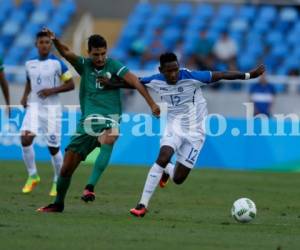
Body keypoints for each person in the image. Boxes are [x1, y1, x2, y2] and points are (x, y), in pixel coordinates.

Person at [102, 52, 264, 217]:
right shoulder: (156, 80)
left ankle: (167, 170)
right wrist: (110, 83)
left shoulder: (191, 77)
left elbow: (221, 75)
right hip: (174, 128)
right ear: (161, 70)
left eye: (175, 69)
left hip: (196, 133)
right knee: (163, 156)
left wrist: (249, 75)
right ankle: (142, 204)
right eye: (169, 71)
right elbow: (134, 83)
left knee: (178, 179)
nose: (173, 74)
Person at [37, 28, 160, 212]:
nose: (101, 58)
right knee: (66, 169)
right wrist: (55, 40)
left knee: (111, 136)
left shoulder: (114, 65)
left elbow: (135, 82)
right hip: (87, 122)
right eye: (96, 54)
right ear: (89, 53)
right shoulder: (84, 65)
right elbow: (66, 52)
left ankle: (90, 187)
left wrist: (152, 104)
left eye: (103, 53)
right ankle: (58, 204)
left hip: (110, 117)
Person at [20, 31, 75, 196]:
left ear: (50, 45)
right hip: (34, 108)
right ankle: (33, 176)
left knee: (53, 148)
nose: (44, 45)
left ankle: (57, 180)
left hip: (52, 110)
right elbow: (30, 81)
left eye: (47, 42)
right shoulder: (29, 63)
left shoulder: (57, 64)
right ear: (36, 44)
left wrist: (52, 90)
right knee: (25, 138)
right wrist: (24, 96)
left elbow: (71, 84)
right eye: (41, 42)